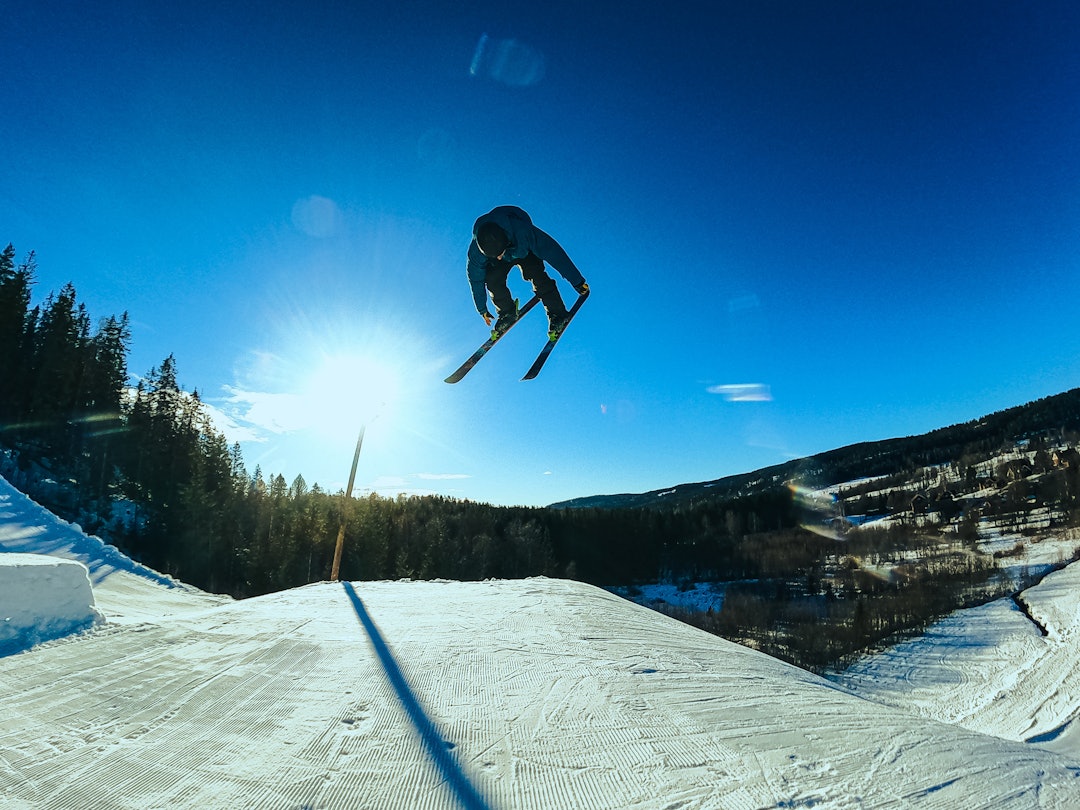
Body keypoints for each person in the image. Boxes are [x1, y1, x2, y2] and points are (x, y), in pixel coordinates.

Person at [466, 206, 590, 339]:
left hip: (523, 248)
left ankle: (557, 314)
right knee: (492, 278)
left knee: (535, 272)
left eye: (500, 253)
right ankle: (507, 312)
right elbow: (476, 280)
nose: (500, 258)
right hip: (503, 247)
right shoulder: (476, 252)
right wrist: (482, 309)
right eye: (495, 255)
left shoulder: (523, 232)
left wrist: (577, 281)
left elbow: (553, 252)